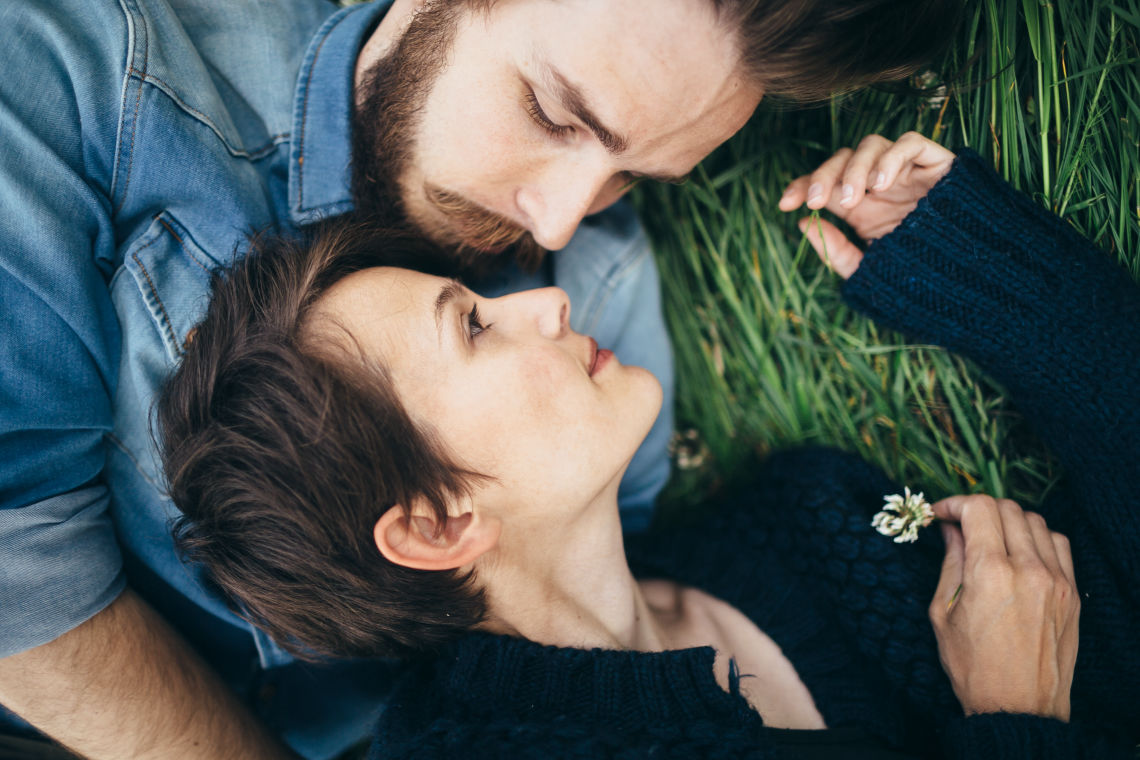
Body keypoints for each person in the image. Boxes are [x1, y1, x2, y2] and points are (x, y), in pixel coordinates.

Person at [0, 0, 966, 756]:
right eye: (550, 112)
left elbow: (581, 586)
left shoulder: (604, 286)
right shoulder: (87, 73)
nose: (556, 227)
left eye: (634, 178)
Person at [158, 132, 1140, 759]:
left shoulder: (799, 529)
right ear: (431, 522)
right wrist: (1018, 720)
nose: (545, 301)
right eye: (473, 328)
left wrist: (977, 273)